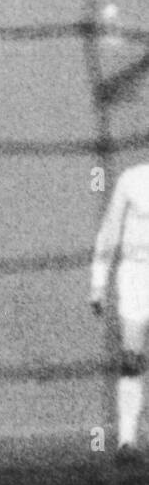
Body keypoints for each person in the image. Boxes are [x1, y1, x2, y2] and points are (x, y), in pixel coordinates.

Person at [90, 161, 149, 463]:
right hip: (137, 275)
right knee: (131, 358)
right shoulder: (132, 179)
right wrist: (98, 283)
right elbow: (110, 230)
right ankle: (127, 439)